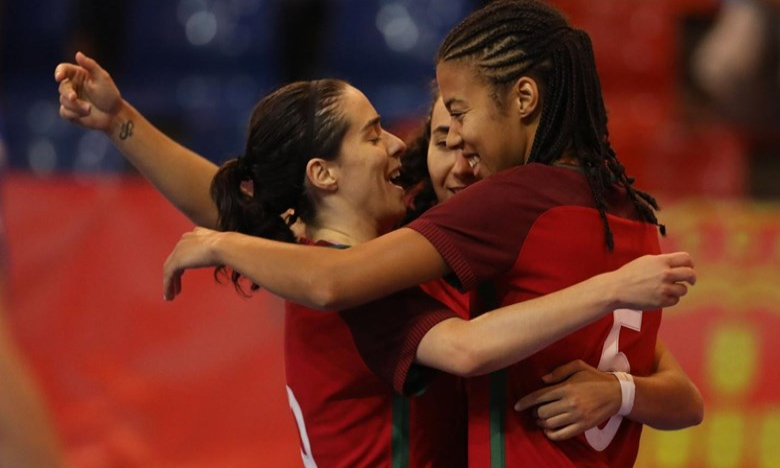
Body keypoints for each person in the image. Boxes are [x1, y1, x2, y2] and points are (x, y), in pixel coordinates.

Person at [55, 51, 695, 467]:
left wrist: (620, 390)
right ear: (323, 176)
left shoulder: (418, 244)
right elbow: (455, 343)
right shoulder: (347, 279)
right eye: (439, 138)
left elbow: (683, 396)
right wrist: (612, 285)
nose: (407, 146)